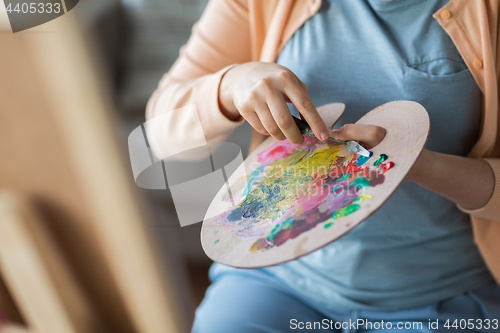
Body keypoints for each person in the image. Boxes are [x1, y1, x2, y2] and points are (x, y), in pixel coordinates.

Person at [146, 0, 500, 331]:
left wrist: (421, 165)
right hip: (273, 276)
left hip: (444, 294)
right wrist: (229, 87)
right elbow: (159, 133)